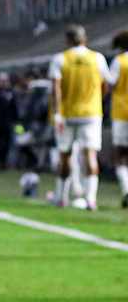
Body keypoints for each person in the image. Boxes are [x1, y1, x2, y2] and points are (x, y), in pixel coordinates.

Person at [47, 25, 109, 209]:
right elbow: (105, 85)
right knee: (90, 155)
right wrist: (96, 100)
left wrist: (57, 113)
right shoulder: (98, 58)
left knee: (65, 155)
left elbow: (55, 89)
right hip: (91, 113)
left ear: (67, 40)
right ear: (85, 39)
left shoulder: (60, 59)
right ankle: (91, 199)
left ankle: (61, 197)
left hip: (67, 114)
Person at [108, 30, 128, 208]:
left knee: (120, 154)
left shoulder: (119, 61)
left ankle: (126, 189)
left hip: (122, 113)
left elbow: (111, 84)